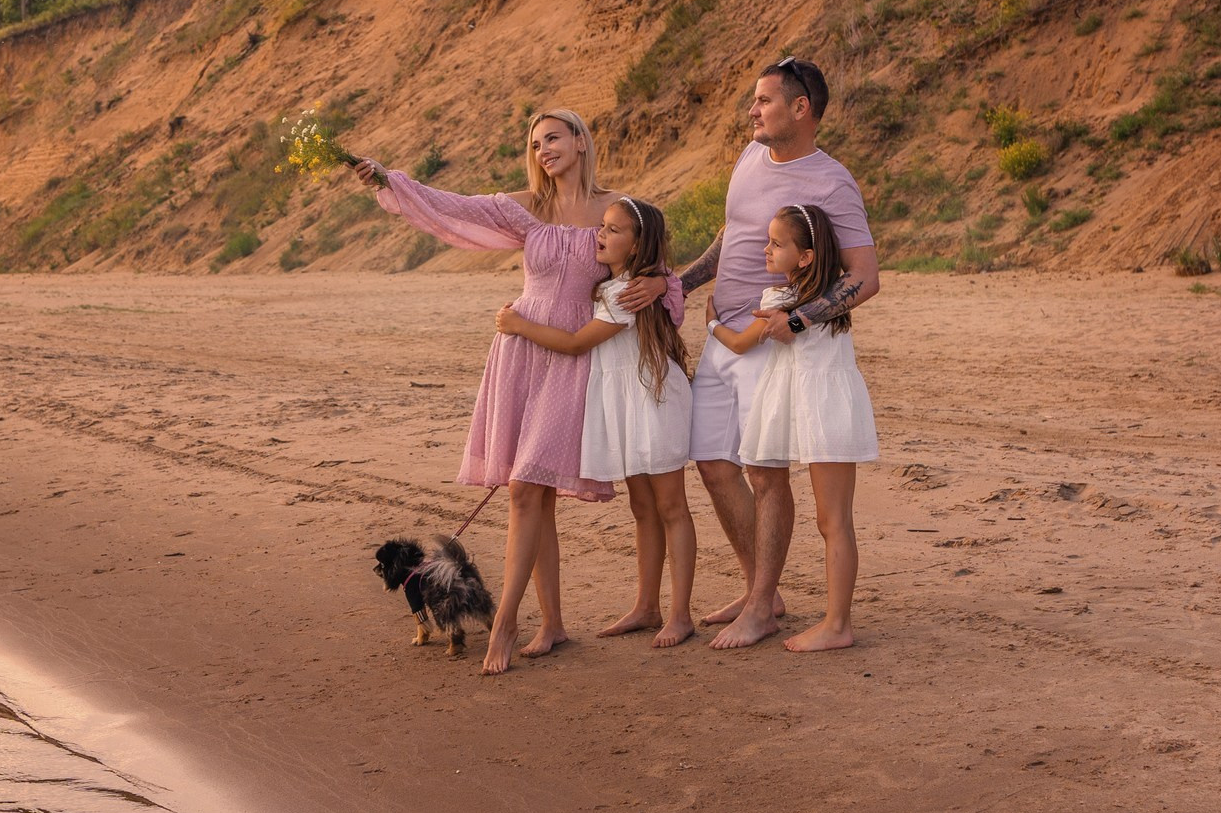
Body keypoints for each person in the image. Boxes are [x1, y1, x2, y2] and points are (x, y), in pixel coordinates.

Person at [353, 110, 680, 675]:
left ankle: (504, 625)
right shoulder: (526, 208)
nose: (543, 149)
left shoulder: (615, 207)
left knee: (528, 487)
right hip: (520, 349)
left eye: (553, 137)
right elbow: (454, 205)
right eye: (534, 143)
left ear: (580, 140)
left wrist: (660, 282)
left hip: (575, 354)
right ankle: (550, 622)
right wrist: (390, 180)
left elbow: (656, 263)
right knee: (530, 495)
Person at [676, 58, 880, 652]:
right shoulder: (748, 156)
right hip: (722, 332)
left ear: (801, 109)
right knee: (712, 462)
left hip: (769, 339)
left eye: (764, 101)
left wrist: (797, 317)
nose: (752, 110)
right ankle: (760, 587)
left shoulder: (832, 181)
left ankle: (763, 605)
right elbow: (731, 233)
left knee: (766, 473)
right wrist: (681, 284)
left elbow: (864, 277)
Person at [491, 196, 701, 648]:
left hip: (653, 400)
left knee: (671, 507)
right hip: (622, 403)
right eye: (601, 227)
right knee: (642, 507)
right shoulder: (619, 282)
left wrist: (517, 325)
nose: (599, 236)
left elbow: (573, 344)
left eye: (612, 230)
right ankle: (647, 606)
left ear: (639, 243)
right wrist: (663, 282)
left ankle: (680, 614)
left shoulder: (630, 291)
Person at [707, 203, 878, 651]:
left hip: (818, 406)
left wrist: (711, 323)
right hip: (824, 402)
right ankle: (835, 620)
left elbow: (742, 344)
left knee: (833, 520)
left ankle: (838, 625)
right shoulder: (831, 304)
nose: (766, 249)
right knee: (834, 520)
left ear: (804, 257)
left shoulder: (779, 302)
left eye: (776, 243)